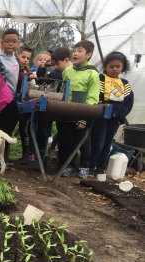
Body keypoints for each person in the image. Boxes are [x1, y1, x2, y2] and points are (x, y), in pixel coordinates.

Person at [59, 40, 100, 179]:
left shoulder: (93, 74)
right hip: (68, 111)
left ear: (88, 55)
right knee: (67, 139)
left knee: (84, 140)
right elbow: (63, 90)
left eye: (79, 51)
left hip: (84, 112)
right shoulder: (67, 71)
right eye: (74, 50)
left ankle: (84, 166)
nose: (75, 53)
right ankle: (69, 166)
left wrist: (85, 117)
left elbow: (93, 98)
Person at [90, 52, 134, 175]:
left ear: (123, 67)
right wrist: (101, 110)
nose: (114, 69)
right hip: (100, 116)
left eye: (118, 66)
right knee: (97, 141)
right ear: (105, 67)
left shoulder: (125, 84)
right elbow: (96, 96)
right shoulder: (101, 78)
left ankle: (100, 167)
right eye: (111, 66)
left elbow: (128, 102)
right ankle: (90, 166)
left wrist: (119, 114)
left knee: (107, 142)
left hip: (115, 118)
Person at [0, 28, 21, 167]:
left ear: (18, 43)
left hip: (12, 98)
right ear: (2, 43)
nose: (10, 44)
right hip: (2, 100)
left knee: (8, 128)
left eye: (14, 41)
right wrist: (3, 99)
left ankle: (2, 158)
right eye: (7, 41)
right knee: (0, 128)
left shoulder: (16, 58)